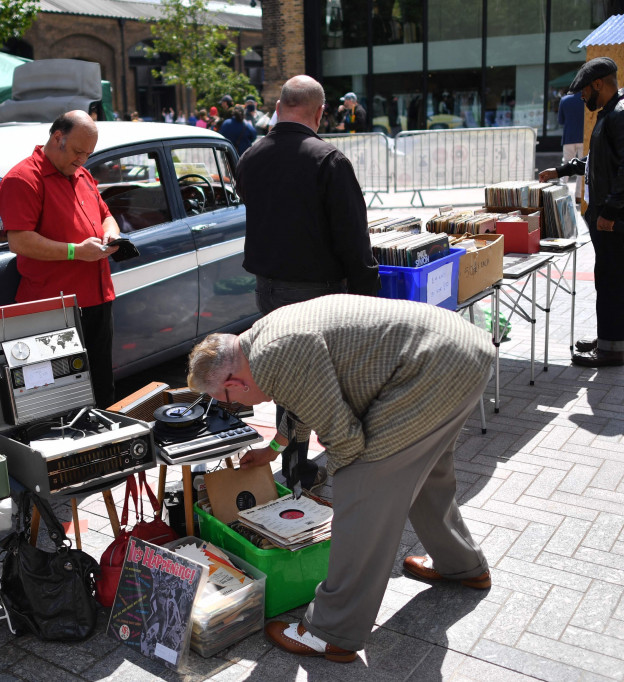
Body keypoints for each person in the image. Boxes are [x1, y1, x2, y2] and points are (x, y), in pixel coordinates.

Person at [187, 294, 494, 662]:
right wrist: (273, 451)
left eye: (223, 399)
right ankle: (462, 566)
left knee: (361, 493)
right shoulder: (259, 341)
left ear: (233, 382)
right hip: (459, 354)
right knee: (429, 474)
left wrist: (346, 484)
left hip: (431, 368)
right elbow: (304, 400)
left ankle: (332, 632)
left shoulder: (273, 356)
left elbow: (345, 439)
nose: (230, 406)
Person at [235, 75, 379, 491]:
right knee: (321, 378)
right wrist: (368, 298)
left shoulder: (251, 155)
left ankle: (296, 463)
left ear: (279, 106)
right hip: (314, 291)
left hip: (268, 286)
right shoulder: (329, 160)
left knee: (286, 375)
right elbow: (355, 238)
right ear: (319, 113)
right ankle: (334, 461)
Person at [0, 110, 121, 406]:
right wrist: (75, 252)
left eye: (88, 154)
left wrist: (110, 234)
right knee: (60, 396)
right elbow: (19, 240)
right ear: (57, 137)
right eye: (78, 152)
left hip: (97, 298)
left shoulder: (81, 173)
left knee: (101, 388)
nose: (82, 160)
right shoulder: (24, 178)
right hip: (54, 306)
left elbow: (106, 216)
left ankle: (104, 446)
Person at [539, 57, 624, 368]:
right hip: (606, 215)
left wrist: (611, 211)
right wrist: (561, 170)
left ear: (598, 84)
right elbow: (596, 162)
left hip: (613, 219)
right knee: (610, 277)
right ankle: (610, 338)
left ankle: (613, 349)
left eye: (585, 91)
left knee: (612, 279)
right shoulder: (610, 114)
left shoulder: (618, 115)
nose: (583, 97)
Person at [556, 89, 585, 203]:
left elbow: (560, 120)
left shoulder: (564, 100)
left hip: (569, 137)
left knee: (566, 164)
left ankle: (560, 192)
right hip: (583, 137)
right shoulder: (585, 100)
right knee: (582, 166)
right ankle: (578, 196)